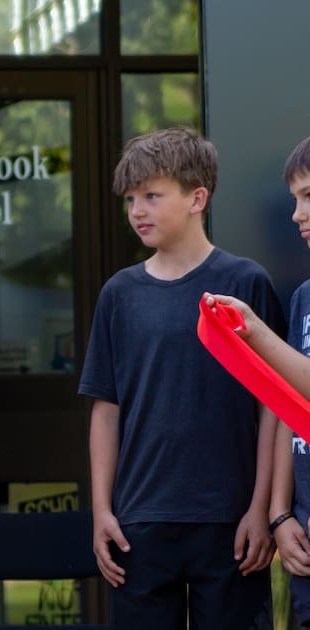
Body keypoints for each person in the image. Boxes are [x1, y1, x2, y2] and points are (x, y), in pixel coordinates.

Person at [79, 127, 282, 629]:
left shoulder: (245, 282)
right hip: (140, 519)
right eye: (130, 199)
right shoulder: (119, 294)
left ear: (197, 198)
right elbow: (106, 410)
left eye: (152, 195)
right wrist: (102, 510)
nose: (137, 210)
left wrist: (260, 509)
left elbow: (273, 407)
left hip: (231, 520)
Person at [205, 135, 310, 627]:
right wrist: (281, 515)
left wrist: (254, 329)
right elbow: (291, 405)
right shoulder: (303, 297)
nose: (296, 214)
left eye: (308, 196)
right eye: (294, 198)